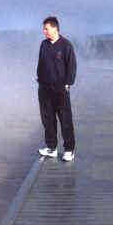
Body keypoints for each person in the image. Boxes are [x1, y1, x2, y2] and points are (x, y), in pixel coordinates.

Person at [36, 16, 77, 161]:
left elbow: (71, 66)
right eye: (44, 29)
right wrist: (39, 81)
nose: (44, 31)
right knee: (47, 118)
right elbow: (40, 64)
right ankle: (51, 147)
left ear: (55, 28)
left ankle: (69, 150)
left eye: (46, 28)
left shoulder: (66, 45)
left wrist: (68, 83)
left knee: (65, 118)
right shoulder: (44, 45)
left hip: (60, 89)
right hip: (45, 88)